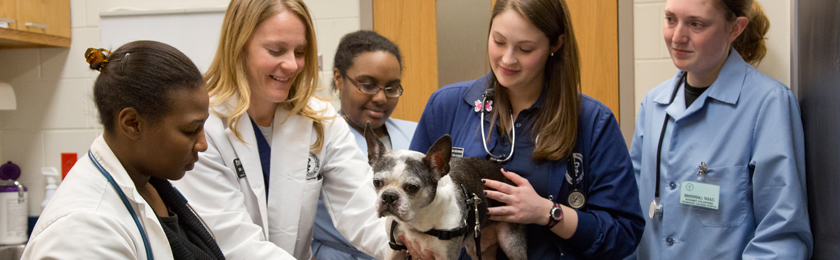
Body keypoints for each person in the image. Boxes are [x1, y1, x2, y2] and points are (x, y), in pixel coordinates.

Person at [409, 0, 645, 258]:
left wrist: (547, 212)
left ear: (556, 44)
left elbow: (624, 233)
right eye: (499, 42)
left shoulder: (592, 121)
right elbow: (406, 196)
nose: (507, 59)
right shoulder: (447, 105)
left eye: (525, 48)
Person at [171, 1, 391, 259]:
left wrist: (401, 243)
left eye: (299, 52)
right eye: (276, 51)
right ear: (239, 47)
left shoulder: (321, 120)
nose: (292, 65)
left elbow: (361, 206)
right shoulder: (204, 125)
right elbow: (231, 240)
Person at [630, 0, 812, 259]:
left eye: (696, 24)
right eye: (671, 19)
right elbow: (630, 216)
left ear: (735, 29)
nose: (677, 37)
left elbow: (781, 236)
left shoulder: (768, 104)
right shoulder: (654, 105)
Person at [22, 40, 224, 260]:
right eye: (190, 130)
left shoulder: (151, 187)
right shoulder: (83, 231)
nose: (203, 144)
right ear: (132, 124)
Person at [311, 30, 417, 260]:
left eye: (391, 88)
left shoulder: (415, 135)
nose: (381, 98)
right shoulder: (318, 139)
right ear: (339, 78)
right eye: (368, 85)